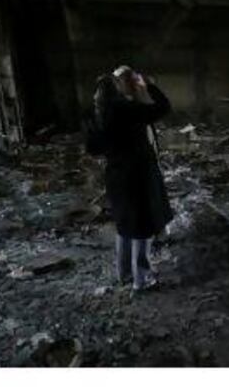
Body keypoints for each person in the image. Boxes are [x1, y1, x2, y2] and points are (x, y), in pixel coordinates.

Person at [87, 65, 173, 293]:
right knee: (142, 226)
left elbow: (93, 148)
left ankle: (124, 274)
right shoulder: (124, 108)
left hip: (115, 175)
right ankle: (141, 279)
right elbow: (163, 108)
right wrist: (149, 86)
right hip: (137, 175)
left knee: (125, 225)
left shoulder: (99, 112)